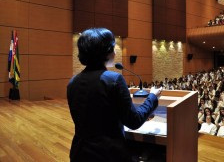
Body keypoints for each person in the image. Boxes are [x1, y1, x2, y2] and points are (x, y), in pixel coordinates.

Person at [67, 28, 162, 162]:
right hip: (108, 154)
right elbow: (133, 122)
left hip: (80, 153)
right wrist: (152, 97)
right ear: (104, 52)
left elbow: (95, 116)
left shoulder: (73, 82)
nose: (115, 51)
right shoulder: (114, 79)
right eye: (112, 47)